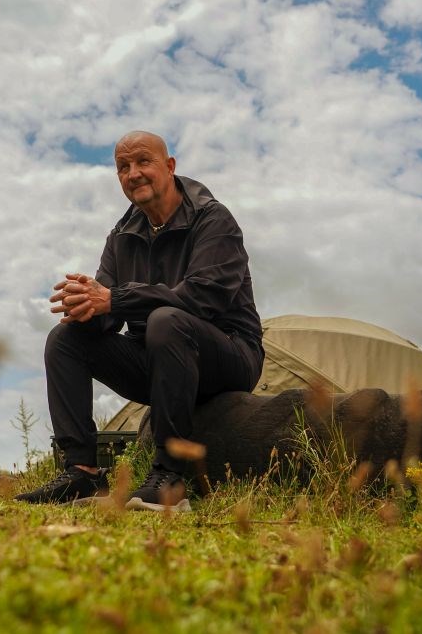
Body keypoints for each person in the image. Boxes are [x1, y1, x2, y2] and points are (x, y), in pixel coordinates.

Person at [16, 131, 264, 510]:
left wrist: (113, 299)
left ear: (170, 166)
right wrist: (84, 307)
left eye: (143, 161)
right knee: (64, 339)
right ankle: (82, 473)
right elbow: (108, 314)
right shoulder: (121, 235)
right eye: (123, 167)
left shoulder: (214, 219)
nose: (133, 174)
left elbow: (203, 299)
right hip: (157, 360)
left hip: (228, 355)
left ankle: (168, 476)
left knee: (167, 321)